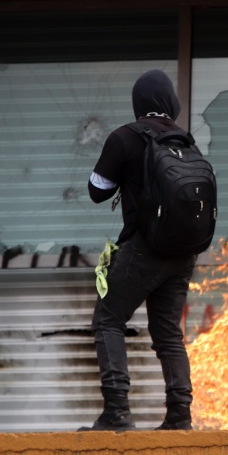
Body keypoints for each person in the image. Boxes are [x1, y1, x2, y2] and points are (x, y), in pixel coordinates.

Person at [81, 69, 197, 432]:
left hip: (144, 249)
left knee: (108, 319)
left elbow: (97, 190)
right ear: (169, 102)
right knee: (168, 334)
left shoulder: (125, 137)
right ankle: (180, 415)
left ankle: (116, 410)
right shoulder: (186, 142)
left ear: (139, 103)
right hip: (183, 254)